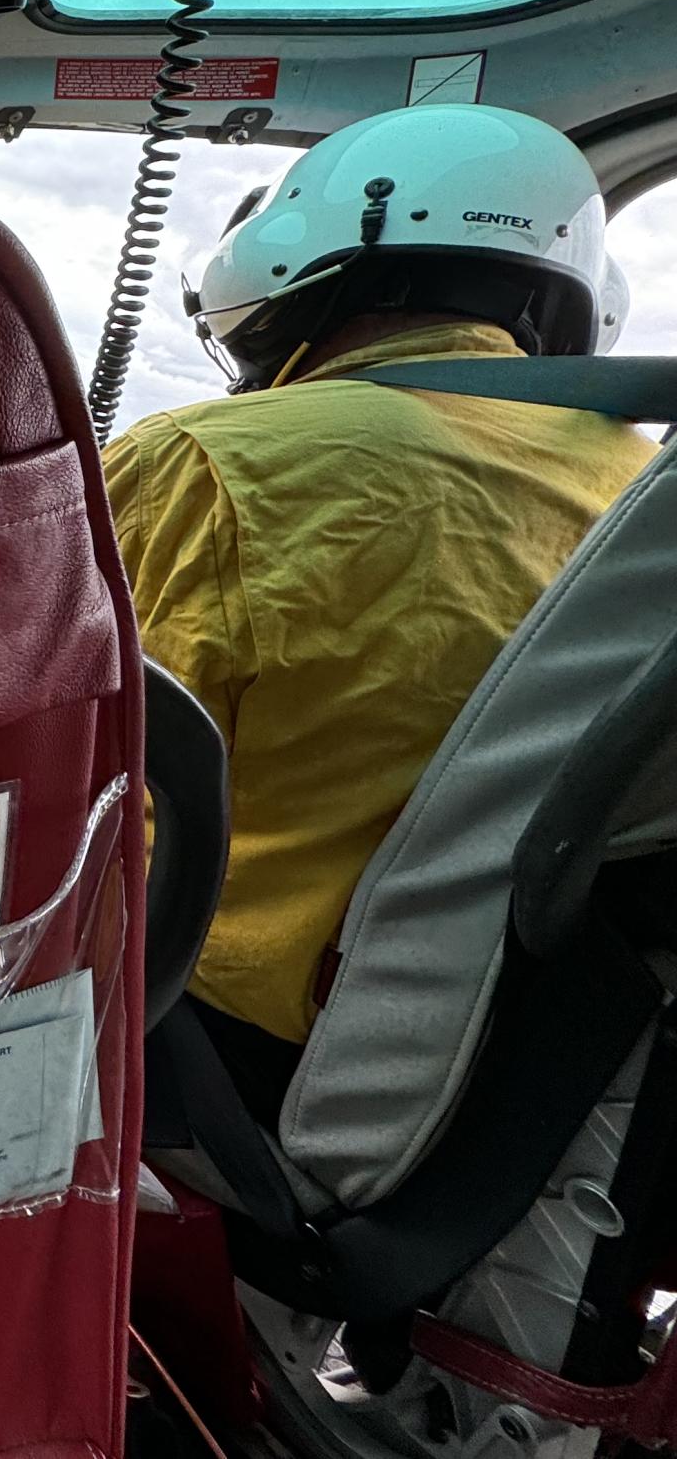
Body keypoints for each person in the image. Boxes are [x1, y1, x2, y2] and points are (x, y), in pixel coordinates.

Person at [104, 103, 652, 1114]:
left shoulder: (202, 461)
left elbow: (77, 799)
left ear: (290, 267)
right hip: (546, 1082)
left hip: (228, 1053)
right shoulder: (639, 490)